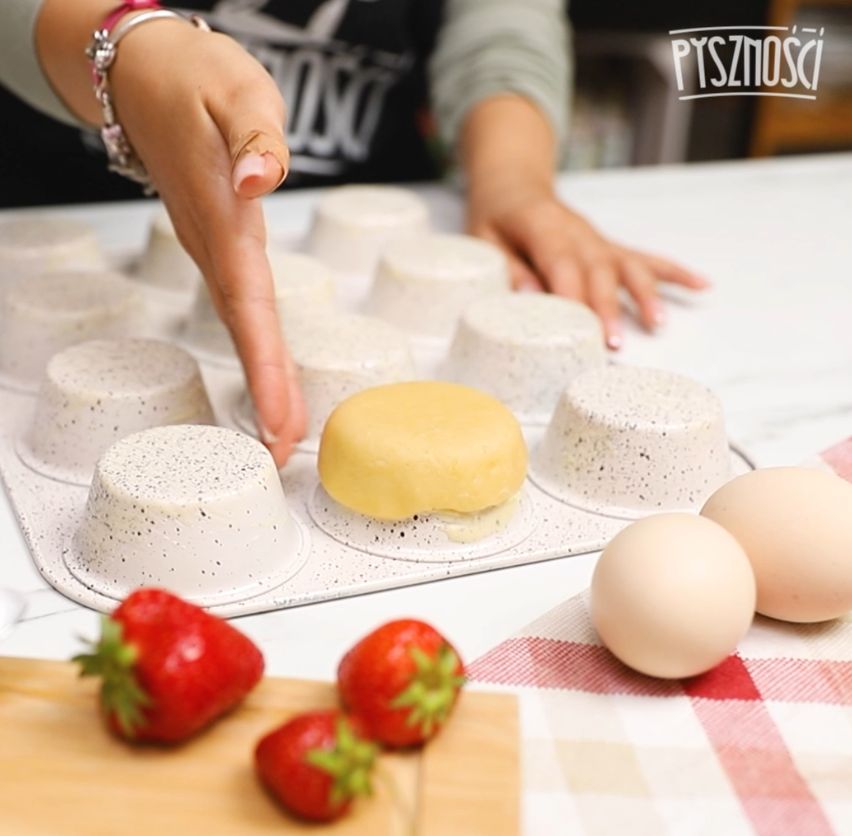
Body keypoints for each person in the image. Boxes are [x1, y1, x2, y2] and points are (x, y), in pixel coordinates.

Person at [0, 0, 707, 465]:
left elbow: (500, 28)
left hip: (371, 214)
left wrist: (512, 178)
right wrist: (124, 46)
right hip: (62, 219)